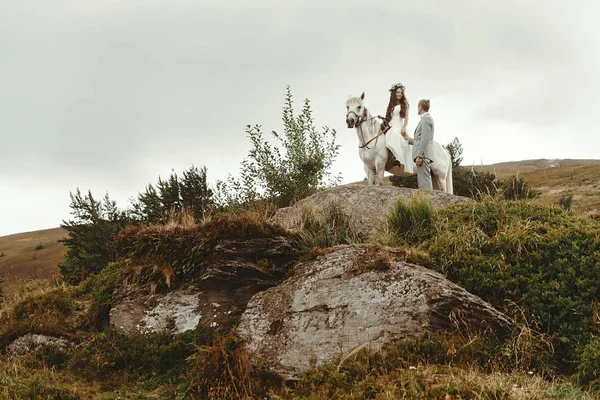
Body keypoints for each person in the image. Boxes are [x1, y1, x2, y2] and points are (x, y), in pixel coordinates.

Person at [402, 99, 434, 190]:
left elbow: (425, 139)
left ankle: (427, 202)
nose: (417, 109)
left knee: (425, 183)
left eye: (418, 107)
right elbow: (420, 139)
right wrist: (409, 140)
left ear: (420, 107)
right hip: (423, 155)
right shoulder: (426, 119)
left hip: (423, 156)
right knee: (423, 182)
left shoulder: (426, 119)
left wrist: (419, 155)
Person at [383, 82, 413, 174]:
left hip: (398, 126)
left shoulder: (404, 104)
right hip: (390, 125)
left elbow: (406, 117)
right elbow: (388, 118)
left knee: (395, 136)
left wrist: (404, 128)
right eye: (398, 92)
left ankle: (396, 158)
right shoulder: (390, 105)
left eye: (401, 92)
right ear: (394, 94)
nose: (400, 94)